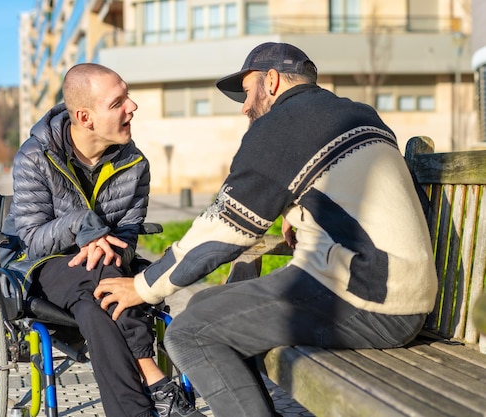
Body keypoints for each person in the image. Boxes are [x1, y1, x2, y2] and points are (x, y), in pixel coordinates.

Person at [92, 42, 438, 417]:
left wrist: (143, 287)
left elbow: (222, 233)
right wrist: (301, 214)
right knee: (206, 304)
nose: (243, 106)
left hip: (371, 302)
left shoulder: (281, 125)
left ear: (271, 81)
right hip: (399, 290)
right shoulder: (356, 113)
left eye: (246, 91)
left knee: (189, 332)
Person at [2, 63, 205, 417]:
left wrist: (104, 247)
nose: (133, 107)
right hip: (43, 267)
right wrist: (84, 226)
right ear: (85, 116)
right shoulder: (35, 157)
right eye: (118, 102)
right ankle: (154, 378)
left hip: (101, 274)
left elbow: (127, 235)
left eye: (127, 96)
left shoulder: (135, 163)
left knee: (93, 307)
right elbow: (33, 239)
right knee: (99, 274)